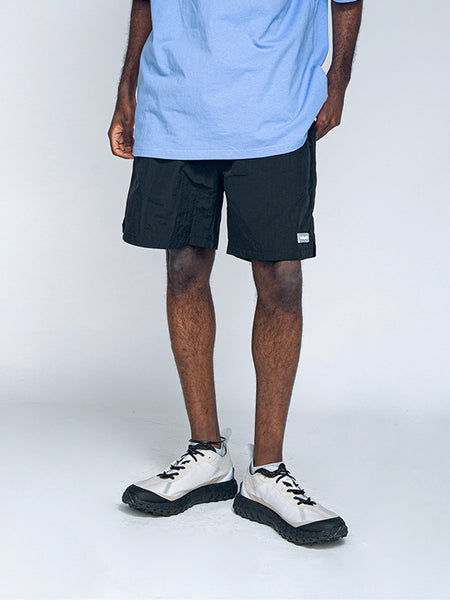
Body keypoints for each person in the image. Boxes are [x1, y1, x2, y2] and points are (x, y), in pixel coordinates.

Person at [108, 0, 363, 546]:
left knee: (280, 281)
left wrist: (338, 81)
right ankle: (206, 455)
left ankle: (267, 472)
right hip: (175, 105)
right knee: (183, 268)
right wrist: (127, 86)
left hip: (275, 109)